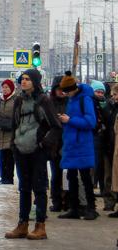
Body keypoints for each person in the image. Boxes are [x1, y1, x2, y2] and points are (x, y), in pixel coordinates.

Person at [6, 68, 62, 241]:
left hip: (37, 151)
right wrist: (13, 144)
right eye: (22, 79)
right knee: (24, 188)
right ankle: (22, 225)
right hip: (21, 149)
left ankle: (40, 226)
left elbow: (56, 127)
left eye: (28, 79)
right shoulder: (19, 101)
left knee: (39, 189)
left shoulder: (44, 101)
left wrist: (44, 144)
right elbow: (15, 124)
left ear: (35, 82)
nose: (24, 82)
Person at [56, 72, 99, 220]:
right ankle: (74, 208)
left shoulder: (85, 99)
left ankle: (91, 209)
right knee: (72, 176)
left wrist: (69, 120)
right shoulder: (73, 99)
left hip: (82, 144)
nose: (65, 94)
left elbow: (90, 122)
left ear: (71, 89)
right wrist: (64, 119)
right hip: (72, 143)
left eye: (66, 92)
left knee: (86, 178)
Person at [0, 78, 19, 185]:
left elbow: (17, 114)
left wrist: (14, 125)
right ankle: (3, 177)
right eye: (3, 87)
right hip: (0, 131)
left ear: (11, 88)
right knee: (2, 156)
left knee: (9, 156)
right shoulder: (0, 100)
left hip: (10, 131)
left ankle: (9, 178)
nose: (4, 89)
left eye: (6, 87)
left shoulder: (16, 99)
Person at [49, 76, 68, 210]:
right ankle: (56, 201)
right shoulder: (49, 103)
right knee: (56, 174)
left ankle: (67, 201)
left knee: (67, 174)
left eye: (63, 89)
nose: (61, 91)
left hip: (68, 142)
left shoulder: (71, 102)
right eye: (58, 89)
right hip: (54, 144)